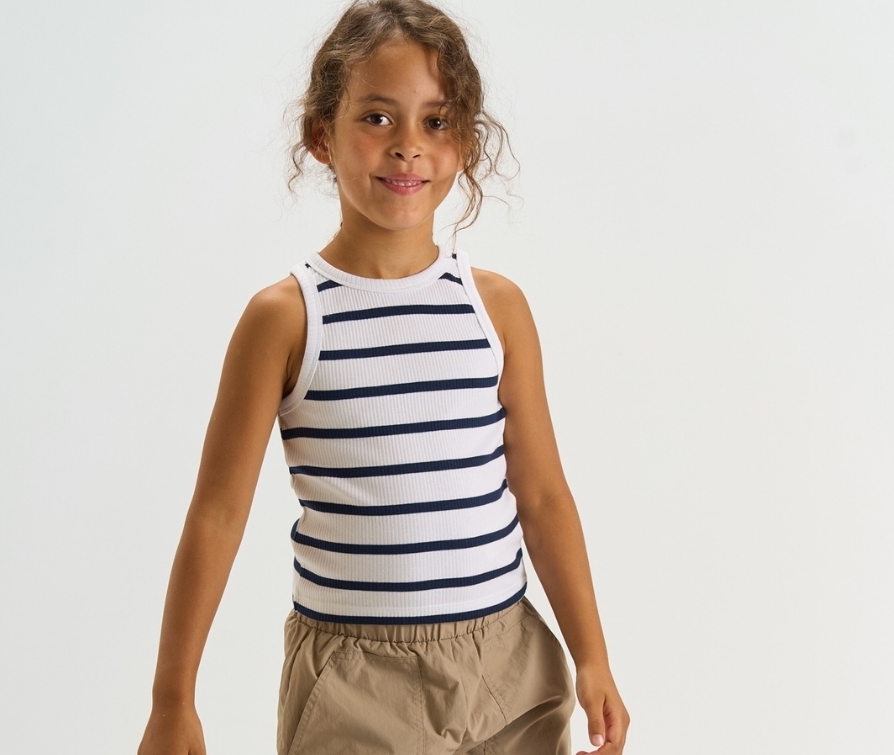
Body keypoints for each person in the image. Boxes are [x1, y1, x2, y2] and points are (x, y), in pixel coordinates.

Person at [137, 1, 629, 753]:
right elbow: (216, 515)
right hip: (355, 684)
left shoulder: (495, 309)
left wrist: (592, 655)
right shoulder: (287, 318)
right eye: (376, 117)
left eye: (436, 121)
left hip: (508, 670)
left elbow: (543, 496)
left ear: (465, 142)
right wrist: (173, 699)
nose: (408, 147)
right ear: (320, 135)